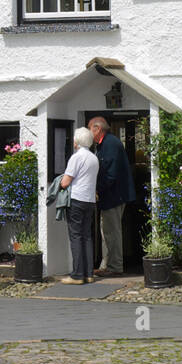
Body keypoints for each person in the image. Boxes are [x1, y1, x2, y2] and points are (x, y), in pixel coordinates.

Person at [90, 116, 134, 276]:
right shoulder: (105, 143)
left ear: (97, 129)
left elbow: (110, 173)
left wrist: (96, 189)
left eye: (90, 129)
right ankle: (106, 265)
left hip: (114, 195)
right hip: (111, 195)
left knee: (111, 232)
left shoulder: (110, 144)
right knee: (107, 231)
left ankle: (114, 267)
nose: (89, 133)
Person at [60, 126, 99, 284]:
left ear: (77, 141)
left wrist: (60, 183)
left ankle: (77, 275)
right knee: (86, 237)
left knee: (75, 237)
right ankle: (89, 273)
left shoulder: (76, 157)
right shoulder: (93, 158)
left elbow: (65, 182)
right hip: (90, 200)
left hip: (76, 199)